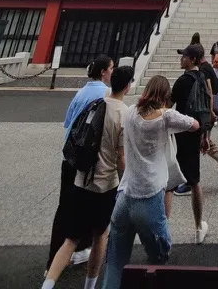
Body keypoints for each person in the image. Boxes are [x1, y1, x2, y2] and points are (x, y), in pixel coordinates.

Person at [99, 75, 203, 289]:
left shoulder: (130, 112)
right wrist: (167, 113)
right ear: (165, 96)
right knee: (159, 255)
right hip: (149, 196)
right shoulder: (165, 117)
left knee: (115, 261)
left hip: (125, 194)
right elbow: (195, 125)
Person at [41, 65, 133, 289]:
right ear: (128, 86)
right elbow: (121, 157)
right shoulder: (124, 113)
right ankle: (90, 285)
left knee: (71, 239)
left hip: (81, 179)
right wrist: (125, 183)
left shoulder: (96, 103)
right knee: (100, 234)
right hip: (105, 183)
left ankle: (47, 284)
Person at [46, 55, 114, 273]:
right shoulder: (104, 94)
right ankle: (75, 251)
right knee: (84, 205)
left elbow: (68, 122)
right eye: (111, 68)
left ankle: (57, 258)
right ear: (103, 72)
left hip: (70, 154)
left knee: (67, 206)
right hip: (84, 158)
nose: (113, 72)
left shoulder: (82, 91)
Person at [174, 44, 218, 189]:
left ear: (194, 58)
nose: (182, 59)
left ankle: (191, 180)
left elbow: (208, 91)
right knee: (201, 139)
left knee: (197, 142)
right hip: (208, 109)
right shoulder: (205, 68)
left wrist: (210, 111)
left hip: (206, 110)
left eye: (185, 56)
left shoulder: (203, 70)